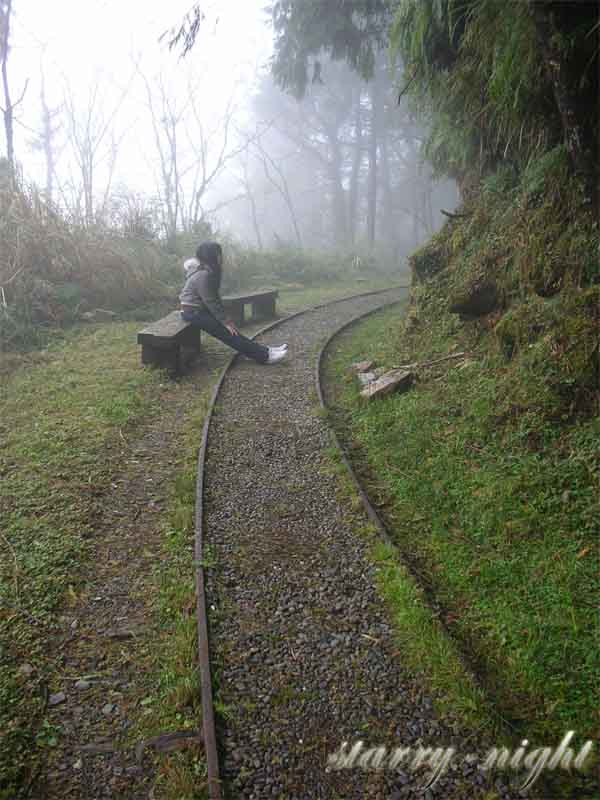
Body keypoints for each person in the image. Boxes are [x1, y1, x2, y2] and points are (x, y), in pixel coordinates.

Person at [179, 242, 288, 364]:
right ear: (210, 256)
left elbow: (213, 298)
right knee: (229, 333)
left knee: (232, 331)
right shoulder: (203, 274)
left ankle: (265, 351)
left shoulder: (206, 271)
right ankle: (264, 357)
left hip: (198, 310)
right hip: (193, 312)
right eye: (218, 254)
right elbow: (211, 301)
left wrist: (226, 320)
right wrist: (226, 321)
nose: (221, 257)